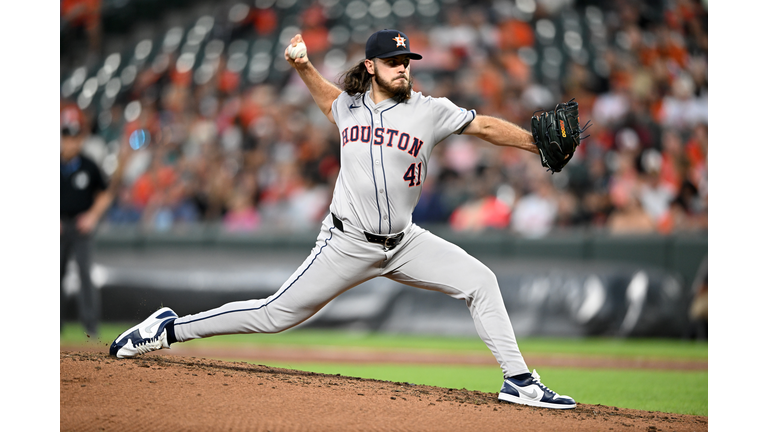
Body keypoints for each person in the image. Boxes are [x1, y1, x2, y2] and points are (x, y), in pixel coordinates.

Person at [110, 29, 576, 410]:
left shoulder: (429, 110)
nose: (403, 68)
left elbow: (484, 126)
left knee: (481, 281)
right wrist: (302, 67)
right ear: (371, 66)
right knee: (274, 315)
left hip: (405, 243)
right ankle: (167, 329)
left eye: (406, 61)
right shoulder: (347, 107)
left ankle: (519, 381)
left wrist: (534, 144)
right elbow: (326, 99)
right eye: (393, 62)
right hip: (346, 243)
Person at [60, 115, 114, 337]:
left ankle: (90, 326)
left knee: (85, 273)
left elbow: (105, 194)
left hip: (81, 227)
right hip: (58, 226)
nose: (70, 142)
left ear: (80, 139)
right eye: (66, 137)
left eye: (74, 138)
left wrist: (92, 216)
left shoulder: (88, 165)